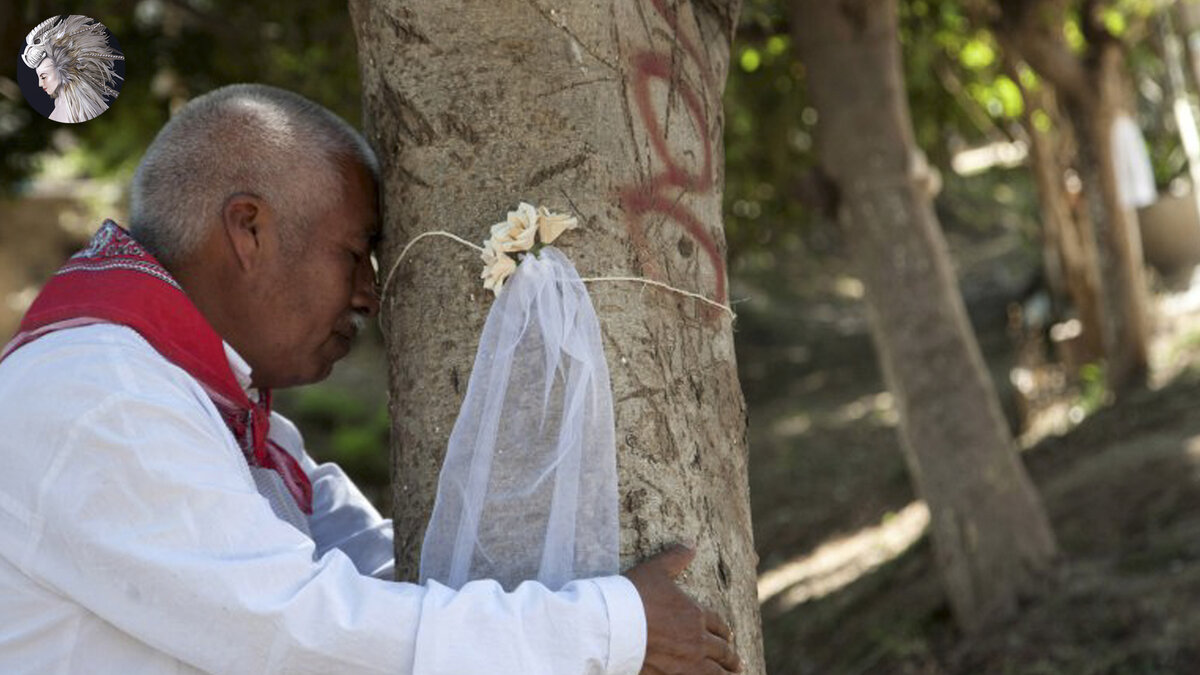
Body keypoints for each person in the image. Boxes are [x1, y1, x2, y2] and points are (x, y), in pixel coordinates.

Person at [0, 84, 742, 675]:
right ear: (249, 228)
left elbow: (374, 562)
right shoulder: (98, 397)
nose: (369, 295)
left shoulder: (197, 398)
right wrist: (608, 627)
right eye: (355, 253)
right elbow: (303, 629)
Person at [21, 15, 124, 123]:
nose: (40, 84)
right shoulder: (62, 105)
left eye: (43, 76)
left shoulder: (80, 113)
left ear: (63, 68)